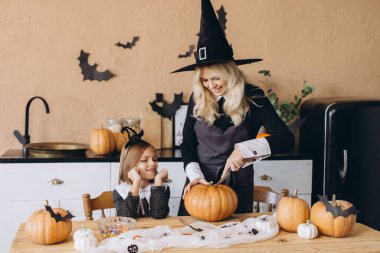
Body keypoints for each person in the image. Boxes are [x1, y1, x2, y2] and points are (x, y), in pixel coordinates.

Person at [172, 0, 294, 215]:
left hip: (236, 188)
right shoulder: (198, 97)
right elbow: (188, 144)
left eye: (216, 78)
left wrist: (244, 150)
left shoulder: (254, 97)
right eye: (205, 80)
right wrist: (194, 176)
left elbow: (286, 139)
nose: (211, 86)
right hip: (199, 187)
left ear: (230, 71)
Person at [113, 127, 170, 219]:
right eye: (144, 160)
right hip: (131, 232)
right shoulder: (120, 191)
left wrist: (158, 181)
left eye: (155, 159)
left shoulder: (162, 188)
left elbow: (158, 215)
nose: (152, 163)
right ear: (130, 165)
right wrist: (136, 181)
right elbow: (126, 218)